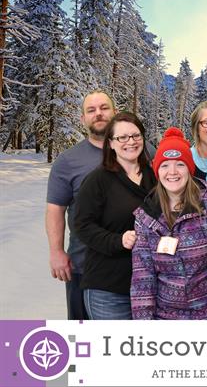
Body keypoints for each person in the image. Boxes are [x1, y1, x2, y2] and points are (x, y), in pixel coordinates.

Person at [131, 128, 207, 319]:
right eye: (165, 165)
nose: (172, 172)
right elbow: (143, 279)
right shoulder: (146, 216)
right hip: (164, 319)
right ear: (157, 170)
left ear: (189, 169)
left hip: (206, 317)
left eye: (180, 164)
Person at [74, 112, 156, 319]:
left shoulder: (154, 176)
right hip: (109, 289)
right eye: (122, 137)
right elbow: (82, 226)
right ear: (110, 143)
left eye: (136, 136)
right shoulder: (98, 180)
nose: (131, 142)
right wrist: (118, 240)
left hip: (150, 287)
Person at [45, 90, 116, 320]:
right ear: (82, 118)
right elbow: (55, 209)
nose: (98, 114)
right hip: (83, 265)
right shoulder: (68, 161)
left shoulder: (141, 151)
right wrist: (56, 251)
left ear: (115, 112)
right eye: (91, 110)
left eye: (104, 108)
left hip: (133, 266)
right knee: (82, 335)